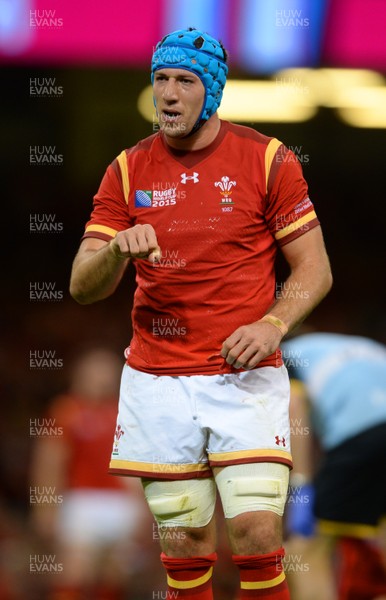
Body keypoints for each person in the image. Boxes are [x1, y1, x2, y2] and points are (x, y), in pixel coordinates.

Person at [69, 27, 332, 600]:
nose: (168, 93)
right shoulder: (127, 169)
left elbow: (315, 269)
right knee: (185, 542)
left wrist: (273, 323)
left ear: (210, 91)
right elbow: (82, 286)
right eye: (160, 78)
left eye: (184, 81)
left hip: (243, 374)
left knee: (257, 532)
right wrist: (115, 248)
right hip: (157, 380)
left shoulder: (267, 160)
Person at [29, 348, 152, 600]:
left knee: (114, 575)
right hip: (81, 501)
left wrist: (143, 508)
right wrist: (45, 508)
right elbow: (49, 464)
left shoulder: (125, 411)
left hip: (121, 503)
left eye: (106, 370)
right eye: (95, 370)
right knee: (74, 572)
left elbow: (137, 466)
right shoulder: (65, 410)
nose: (101, 377)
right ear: (81, 374)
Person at [282, 332, 386, 600]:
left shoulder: (284, 353)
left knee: (304, 549)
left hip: (361, 436)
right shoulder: (362, 345)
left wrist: (301, 487)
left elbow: (295, 405)